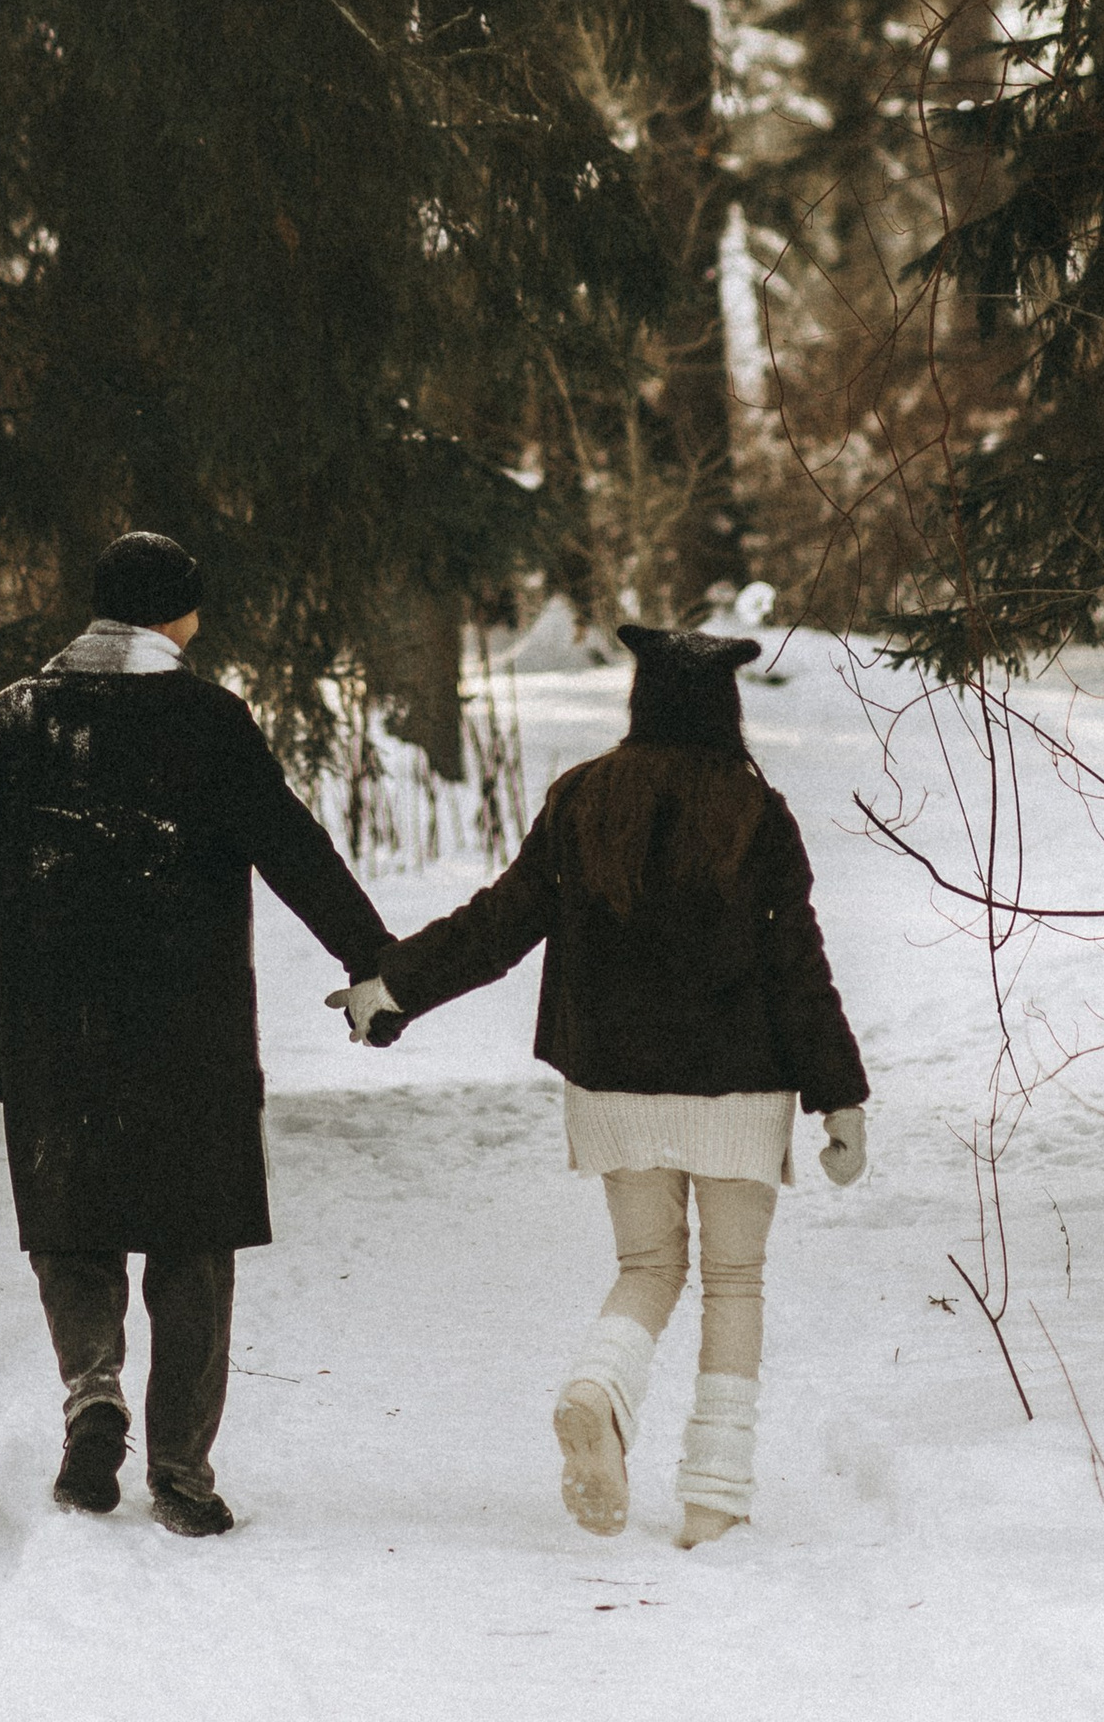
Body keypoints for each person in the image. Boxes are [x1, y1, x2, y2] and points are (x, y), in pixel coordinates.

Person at [327, 623, 868, 1548]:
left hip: (615, 1085)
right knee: (733, 1281)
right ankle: (714, 1499)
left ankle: (599, 1390)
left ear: (639, 702)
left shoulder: (584, 800)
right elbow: (797, 965)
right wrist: (840, 1097)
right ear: (726, 710)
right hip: (740, 1086)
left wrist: (394, 987)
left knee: (648, 1268)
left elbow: (499, 925)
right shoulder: (755, 811)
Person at [0, 529, 399, 1538]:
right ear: (177, 615)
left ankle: (92, 1393)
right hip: (186, 1025)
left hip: (53, 1020)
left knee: (72, 1226)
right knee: (192, 1244)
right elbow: (291, 848)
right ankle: (182, 1474)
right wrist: (373, 960)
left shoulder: (13, 720)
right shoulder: (207, 720)